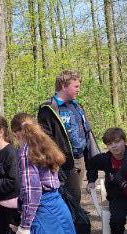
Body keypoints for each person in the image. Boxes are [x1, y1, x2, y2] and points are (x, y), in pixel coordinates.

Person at [37, 70, 100, 204]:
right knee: (69, 199)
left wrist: (92, 164)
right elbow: (45, 140)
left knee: (76, 198)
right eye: (76, 86)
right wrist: (55, 164)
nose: (79, 89)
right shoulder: (48, 109)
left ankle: (75, 215)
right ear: (64, 86)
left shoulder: (77, 106)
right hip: (63, 162)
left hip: (80, 159)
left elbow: (87, 134)